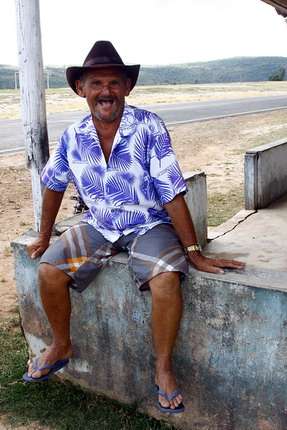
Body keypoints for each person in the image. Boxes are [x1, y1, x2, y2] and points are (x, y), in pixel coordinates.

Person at [23, 40, 245, 413]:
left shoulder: (149, 126)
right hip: (99, 223)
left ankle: (163, 370)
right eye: (95, 84)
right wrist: (45, 234)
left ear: (127, 87)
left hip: (148, 223)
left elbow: (172, 191)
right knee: (48, 270)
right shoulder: (73, 136)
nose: (105, 92)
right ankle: (61, 345)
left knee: (165, 279)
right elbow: (54, 184)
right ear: (81, 89)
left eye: (113, 83)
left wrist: (194, 252)